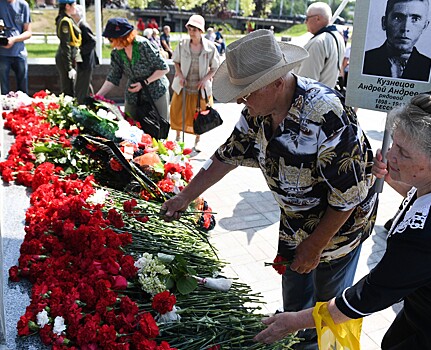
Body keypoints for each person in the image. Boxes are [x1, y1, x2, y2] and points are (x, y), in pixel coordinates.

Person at [161, 30, 378, 350]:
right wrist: (184, 197)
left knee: (328, 307)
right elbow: (226, 155)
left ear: (278, 81)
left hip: (337, 232)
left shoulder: (326, 114)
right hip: (295, 223)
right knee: (294, 295)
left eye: (247, 92)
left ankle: (325, 346)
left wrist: (316, 245)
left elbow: (348, 197)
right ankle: (293, 340)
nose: (240, 100)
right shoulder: (257, 111)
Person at [254, 86, 431, 349]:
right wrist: (391, 176)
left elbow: (370, 295)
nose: (390, 155)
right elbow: (421, 197)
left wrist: (295, 321)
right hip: (426, 317)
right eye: (394, 144)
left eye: (403, 152)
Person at [96, 18, 170, 124]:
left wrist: (144, 83)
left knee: (159, 127)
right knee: (130, 127)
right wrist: (98, 96)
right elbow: (113, 77)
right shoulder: (116, 53)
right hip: (133, 94)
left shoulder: (143, 45)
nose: (111, 43)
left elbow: (164, 68)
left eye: (112, 40)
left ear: (122, 37)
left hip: (156, 91)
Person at [169, 15, 220, 151]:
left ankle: (198, 140)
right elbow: (176, 61)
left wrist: (205, 79)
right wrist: (179, 75)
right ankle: (178, 137)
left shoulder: (210, 47)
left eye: (195, 29)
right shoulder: (182, 44)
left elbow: (215, 67)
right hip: (183, 86)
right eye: (190, 29)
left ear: (201, 31)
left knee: (201, 115)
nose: (192, 32)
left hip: (200, 88)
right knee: (177, 111)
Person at [363, 0, 431, 81]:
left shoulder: (430, 68)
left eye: (415, 19)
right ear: (384, 22)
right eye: (397, 18)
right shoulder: (364, 61)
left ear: (425, 26)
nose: (405, 28)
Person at [295, 2, 345, 88]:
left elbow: (306, 83)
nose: (305, 22)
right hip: (326, 95)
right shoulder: (338, 37)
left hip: (313, 98)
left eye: (307, 18)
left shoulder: (318, 43)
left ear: (317, 18)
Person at [0, 0, 31, 94]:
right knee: (4, 89)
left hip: (19, 52)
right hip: (2, 53)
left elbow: (28, 32)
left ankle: (23, 108)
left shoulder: (23, 5)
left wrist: (14, 39)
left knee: (23, 90)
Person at [71, 4, 98, 104]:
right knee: (85, 84)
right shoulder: (80, 25)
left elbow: (92, 41)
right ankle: (90, 102)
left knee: (83, 84)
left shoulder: (83, 26)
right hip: (84, 60)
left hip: (86, 61)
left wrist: (80, 51)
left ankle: (82, 103)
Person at [55, 0, 81, 97]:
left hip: (70, 57)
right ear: (67, 6)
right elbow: (65, 45)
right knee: (68, 91)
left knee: (72, 89)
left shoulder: (68, 19)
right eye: (74, 4)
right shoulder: (65, 22)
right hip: (66, 59)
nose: (75, 6)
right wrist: (69, 67)